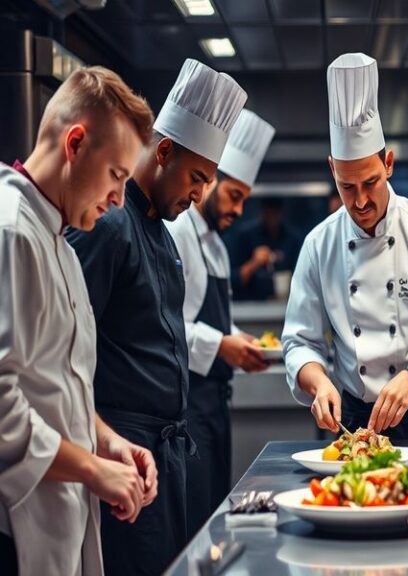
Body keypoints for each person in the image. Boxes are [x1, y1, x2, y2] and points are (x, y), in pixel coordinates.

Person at [66, 59, 247, 574]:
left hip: (164, 457)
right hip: (123, 454)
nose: (199, 196)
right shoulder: (110, 225)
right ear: (163, 151)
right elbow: (70, 347)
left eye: (208, 183)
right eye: (196, 178)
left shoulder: (164, 237)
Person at [0, 67, 157, 576]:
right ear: (75, 143)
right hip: (14, 529)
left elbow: (58, 387)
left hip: (62, 519)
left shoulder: (62, 246)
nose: (118, 200)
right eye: (116, 175)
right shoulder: (9, 232)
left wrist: (108, 443)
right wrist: (92, 469)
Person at [282, 53, 408, 439]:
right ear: (332, 171)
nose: (359, 202)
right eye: (347, 187)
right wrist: (320, 383)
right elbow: (299, 342)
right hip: (353, 421)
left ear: (388, 163)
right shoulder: (318, 245)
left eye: (370, 183)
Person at [166, 109, 275, 536]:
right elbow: (170, 325)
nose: (238, 209)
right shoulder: (178, 233)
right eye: (234, 195)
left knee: (215, 511)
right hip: (189, 404)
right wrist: (223, 346)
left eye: (245, 199)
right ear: (208, 181)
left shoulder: (219, 247)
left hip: (217, 403)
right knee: (196, 519)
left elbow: (212, 321)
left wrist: (236, 342)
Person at [225, 196, 301, 301]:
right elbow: (231, 282)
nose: (272, 218)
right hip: (250, 305)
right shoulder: (245, 236)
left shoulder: (293, 239)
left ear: (282, 213)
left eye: (275, 213)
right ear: (262, 213)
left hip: (286, 303)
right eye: (269, 213)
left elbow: (302, 278)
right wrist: (254, 263)